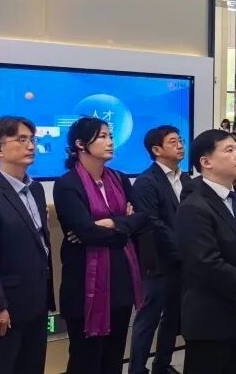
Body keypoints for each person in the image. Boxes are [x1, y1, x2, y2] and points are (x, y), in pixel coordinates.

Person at [176, 129, 236, 373]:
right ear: (206, 161)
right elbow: (207, 264)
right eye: (229, 150)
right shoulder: (195, 206)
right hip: (212, 319)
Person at [55, 117, 146, 373]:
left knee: (113, 358)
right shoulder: (67, 184)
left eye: (111, 136)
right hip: (84, 285)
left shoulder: (119, 178)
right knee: (86, 359)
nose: (110, 142)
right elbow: (85, 231)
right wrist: (123, 225)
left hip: (120, 281)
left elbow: (142, 218)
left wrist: (110, 223)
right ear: (80, 144)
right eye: (103, 136)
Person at [0, 117, 55, 374]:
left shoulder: (36, 189)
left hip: (37, 299)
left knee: (34, 365)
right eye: (21, 140)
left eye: (32, 139)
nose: (30, 146)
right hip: (8, 305)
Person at [129, 125, 189, 374]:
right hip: (158, 261)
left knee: (173, 316)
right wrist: (181, 249)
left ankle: (162, 365)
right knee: (148, 319)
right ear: (156, 150)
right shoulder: (146, 181)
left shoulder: (186, 179)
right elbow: (153, 222)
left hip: (183, 262)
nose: (180, 145)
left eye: (180, 140)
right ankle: (136, 369)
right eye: (173, 142)